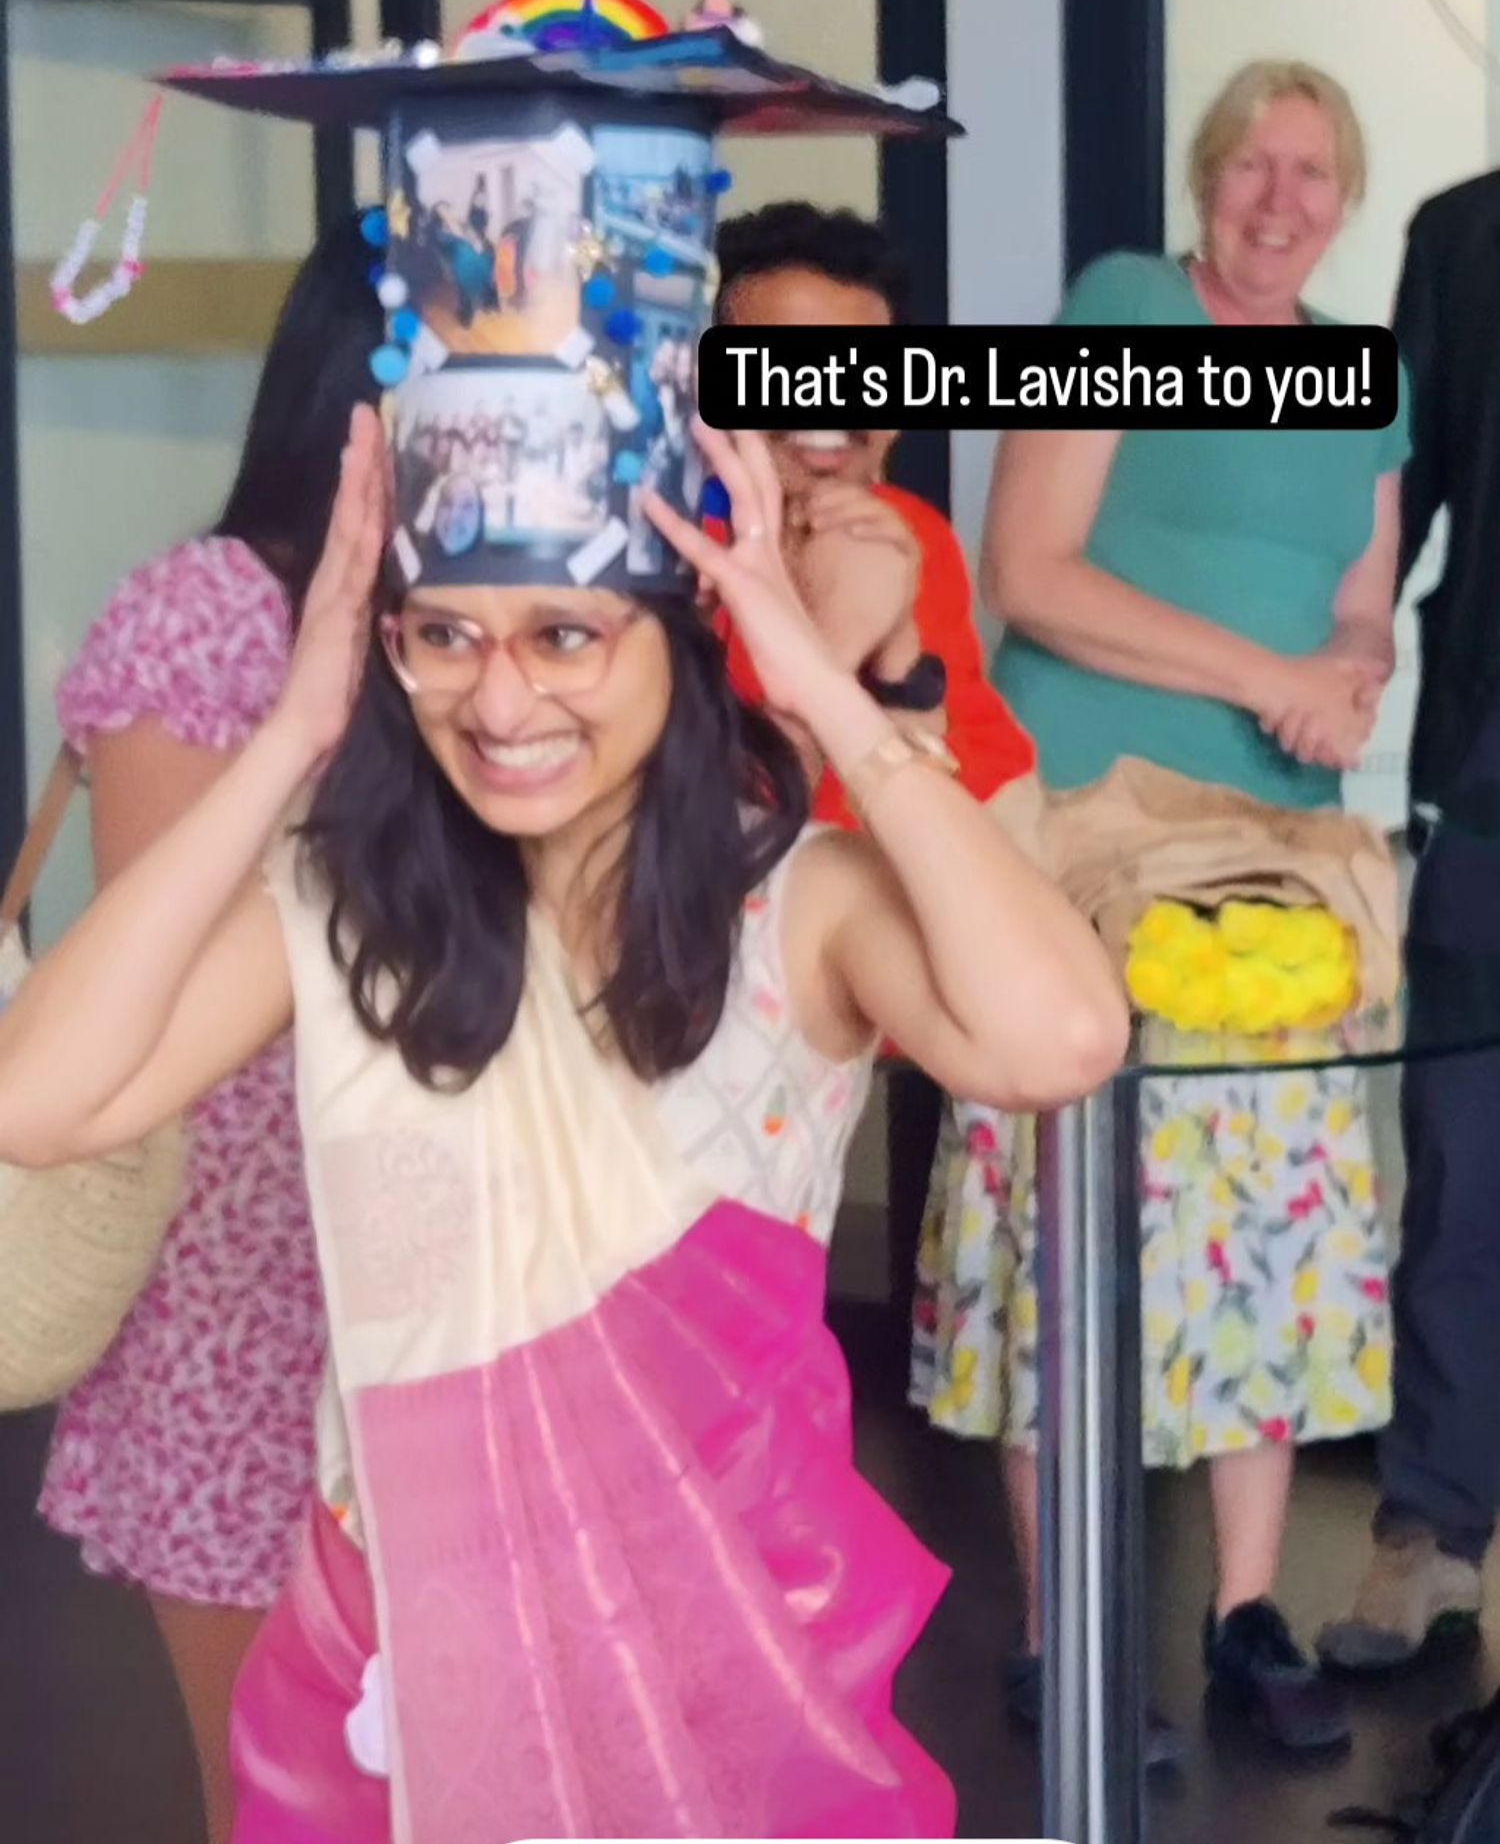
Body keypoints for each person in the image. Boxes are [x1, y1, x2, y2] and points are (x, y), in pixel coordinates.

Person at [0, 407, 1127, 1841]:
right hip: (397, 1661)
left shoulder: (802, 904)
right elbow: (35, 1103)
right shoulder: (357, 911)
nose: (502, 699)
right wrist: (292, 735)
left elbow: (1066, 1035)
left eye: (564, 636)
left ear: (681, 629)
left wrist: (834, 696)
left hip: (726, 1663)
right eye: (445, 637)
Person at [966, 60, 1409, 1754]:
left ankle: (1242, 1611)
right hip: (1088, 829)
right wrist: (1270, 673)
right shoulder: (1129, 306)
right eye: (1251, 165)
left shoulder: (1361, 374)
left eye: (1312, 171)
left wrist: (1350, 678)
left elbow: (1366, 604)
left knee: (1275, 1241)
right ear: (1203, 182)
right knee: (1064, 1228)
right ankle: (1058, 1629)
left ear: (1344, 199)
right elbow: (1037, 577)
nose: (1278, 197)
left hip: (1273, 868)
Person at [33, 213, 382, 1844]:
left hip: (425, 1224)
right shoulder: (203, 605)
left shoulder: (496, 617)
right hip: (247, 1229)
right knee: (268, 1771)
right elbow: (151, 939)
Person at [713, 202, 1038, 1322]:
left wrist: (897, 661)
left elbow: (1003, 817)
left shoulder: (905, 537)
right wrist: (835, 652)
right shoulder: (644, 566)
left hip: (872, 1026)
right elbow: (707, 889)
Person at [1318, 169, 1500, 1672]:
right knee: (1463, 1161)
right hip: (1494, 777)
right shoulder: (1463, 235)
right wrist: (1329, 647)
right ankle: (1432, 1529)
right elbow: (1389, 483)